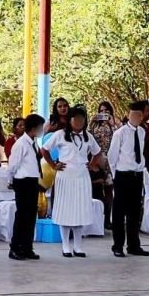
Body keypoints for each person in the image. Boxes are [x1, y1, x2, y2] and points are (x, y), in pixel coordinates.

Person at [41, 107, 102, 258]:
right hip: (65, 175)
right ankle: (65, 245)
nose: (79, 122)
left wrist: (92, 164)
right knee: (65, 209)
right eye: (76, 119)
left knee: (79, 210)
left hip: (82, 176)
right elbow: (44, 149)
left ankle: (78, 245)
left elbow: (98, 152)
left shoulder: (88, 136)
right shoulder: (60, 134)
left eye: (82, 119)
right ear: (70, 120)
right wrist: (54, 165)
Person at [107, 100, 149, 257]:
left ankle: (133, 245)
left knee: (134, 211)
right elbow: (112, 156)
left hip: (136, 175)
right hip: (122, 175)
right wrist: (115, 175)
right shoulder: (120, 133)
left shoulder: (142, 132)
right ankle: (117, 245)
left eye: (139, 115)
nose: (136, 117)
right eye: (133, 114)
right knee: (119, 212)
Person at [8, 114, 45, 260]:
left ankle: (27, 247)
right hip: (22, 181)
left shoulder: (33, 143)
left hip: (32, 181)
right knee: (22, 216)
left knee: (30, 216)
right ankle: (15, 247)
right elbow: (13, 164)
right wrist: (11, 180)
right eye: (40, 127)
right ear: (34, 128)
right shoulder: (21, 144)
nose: (42, 130)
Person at [89, 101, 119, 229]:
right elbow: (88, 136)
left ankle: (108, 219)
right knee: (97, 189)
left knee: (109, 190)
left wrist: (113, 123)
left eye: (106, 111)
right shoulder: (95, 125)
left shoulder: (115, 125)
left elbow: (118, 136)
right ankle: (97, 218)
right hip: (96, 158)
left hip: (110, 159)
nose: (103, 114)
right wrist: (92, 121)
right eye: (101, 111)